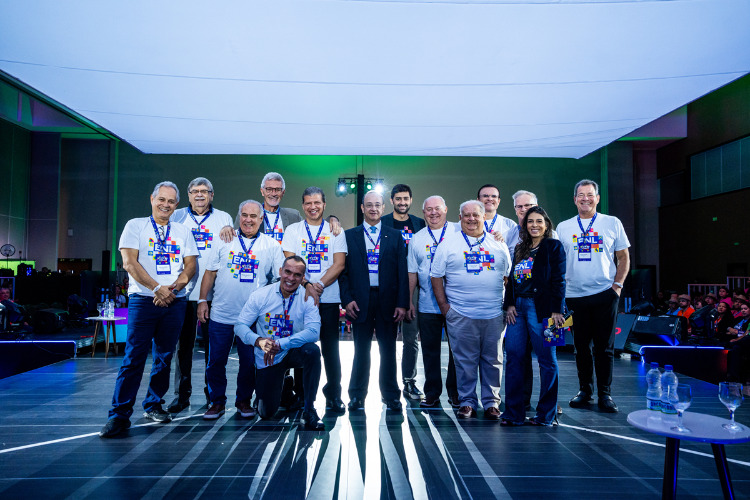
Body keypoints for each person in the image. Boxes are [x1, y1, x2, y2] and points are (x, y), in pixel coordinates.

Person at [99, 181, 198, 438]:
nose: (166, 205)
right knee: (134, 357)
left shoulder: (183, 231)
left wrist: (173, 289)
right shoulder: (135, 226)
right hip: (143, 300)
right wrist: (157, 288)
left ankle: (154, 405)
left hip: (175, 301)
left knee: (164, 357)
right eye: (161, 199)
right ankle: (119, 415)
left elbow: (191, 266)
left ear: (177, 205)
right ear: (152, 199)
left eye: (171, 201)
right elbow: (129, 263)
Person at [198, 200, 284, 419]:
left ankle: (243, 401)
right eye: (244, 215)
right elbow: (210, 272)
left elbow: (279, 280)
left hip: (252, 318)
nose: (248, 220)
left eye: (253, 216)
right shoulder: (224, 239)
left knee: (248, 363)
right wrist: (202, 300)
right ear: (239, 216)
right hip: (221, 314)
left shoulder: (271, 245)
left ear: (261, 219)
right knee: (216, 361)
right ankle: (216, 402)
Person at [430, 200, 511, 419]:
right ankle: (467, 401)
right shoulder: (448, 244)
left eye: (476, 215)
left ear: (484, 217)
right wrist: (445, 308)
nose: (471, 219)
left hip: (494, 314)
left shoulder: (498, 244)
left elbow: (507, 277)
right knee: (464, 362)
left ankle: (492, 403)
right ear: (460, 218)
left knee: (493, 360)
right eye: (466, 215)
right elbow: (436, 276)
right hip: (460, 314)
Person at [557, 179, 630, 413]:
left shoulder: (612, 223)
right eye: (581, 195)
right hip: (574, 296)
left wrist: (617, 286)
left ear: (597, 198)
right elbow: (558, 261)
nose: (585, 199)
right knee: (580, 348)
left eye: (590, 194)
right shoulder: (564, 227)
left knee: (604, 348)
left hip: (604, 294)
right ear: (574, 199)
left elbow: (623, 257)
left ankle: (605, 394)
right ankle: (585, 391)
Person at [234, 256, 324, 430]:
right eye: (287, 272)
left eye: (297, 275)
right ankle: (284, 386)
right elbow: (239, 326)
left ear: (303, 278)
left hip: (292, 350)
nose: (291, 278)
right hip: (268, 355)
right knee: (265, 412)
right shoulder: (261, 295)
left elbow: (314, 332)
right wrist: (258, 341)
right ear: (280, 271)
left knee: (312, 351)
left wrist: (281, 343)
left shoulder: (308, 297)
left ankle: (309, 409)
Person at [168, 177, 234, 413]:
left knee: (212, 350)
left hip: (212, 295)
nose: (199, 195)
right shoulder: (176, 217)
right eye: (195, 191)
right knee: (182, 348)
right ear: (188, 195)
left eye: (204, 191)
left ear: (211, 195)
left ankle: (212, 395)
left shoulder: (224, 218)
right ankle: (181, 396)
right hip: (183, 293)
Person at [339, 191, 409, 412]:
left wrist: (402, 303)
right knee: (361, 351)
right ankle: (356, 396)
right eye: (369, 205)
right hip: (360, 301)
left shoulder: (394, 235)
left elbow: (402, 272)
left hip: (388, 300)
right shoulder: (349, 236)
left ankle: (391, 396)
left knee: (388, 350)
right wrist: (347, 300)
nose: (373, 209)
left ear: (383, 207)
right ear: (362, 208)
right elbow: (343, 273)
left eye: (377, 205)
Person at [282, 187, 348, 413]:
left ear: (324, 204)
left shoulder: (335, 231)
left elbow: (339, 264)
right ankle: (302, 395)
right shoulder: (293, 230)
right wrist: (307, 286)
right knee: (302, 346)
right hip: (299, 298)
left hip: (328, 298)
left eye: (317, 202)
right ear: (303, 206)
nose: (313, 207)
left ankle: (334, 394)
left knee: (331, 349)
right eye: (308, 203)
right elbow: (290, 264)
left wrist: (317, 286)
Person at [501, 206, 566, 426]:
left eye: (539, 221)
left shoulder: (554, 246)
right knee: (514, 358)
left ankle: (546, 415)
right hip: (518, 309)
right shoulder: (520, 248)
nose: (534, 225)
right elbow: (511, 279)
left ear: (546, 224)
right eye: (530, 221)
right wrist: (509, 304)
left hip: (546, 311)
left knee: (548, 361)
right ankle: (513, 413)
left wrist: (557, 310)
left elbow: (559, 279)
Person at [407, 195, 459, 407]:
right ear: (423, 213)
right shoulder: (417, 239)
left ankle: (456, 392)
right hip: (427, 304)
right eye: (429, 209)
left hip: (456, 304)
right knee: (430, 351)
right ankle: (432, 392)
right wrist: (409, 301)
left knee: (457, 352)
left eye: (437, 208)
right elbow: (412, 272)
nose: (433, 213)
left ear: (445, 209)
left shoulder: (459, 231)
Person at [382, 184, 427, 402]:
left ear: (411, 200)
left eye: (405, 199)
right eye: (398, 199)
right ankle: (388, 385)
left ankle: (409, 381)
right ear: (391, 200)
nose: (402, 202)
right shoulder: (382, 223)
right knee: (387, 340)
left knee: (411, 338)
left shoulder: (419, 223)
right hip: (389, 285)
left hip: (413, 285)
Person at [726, 302, 750, 382]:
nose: (743, 311)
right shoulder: (739, 319)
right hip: (738, 340)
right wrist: (730, 329)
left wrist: (736, 340)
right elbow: (728, 327)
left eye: (745, 309)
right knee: (735, 347)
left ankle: (734, 376)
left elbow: (746, 334)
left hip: (746, 342)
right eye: (742, 309)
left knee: (737, 346)